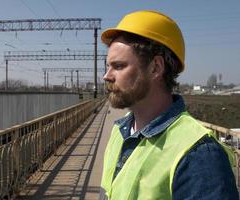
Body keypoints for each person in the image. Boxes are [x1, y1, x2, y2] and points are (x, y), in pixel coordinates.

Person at [100, 10, 238, 200]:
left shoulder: (199, 154)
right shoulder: (120, 130)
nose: (107, 76)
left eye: (119, 66)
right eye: (107, 66)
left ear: (155, 67)